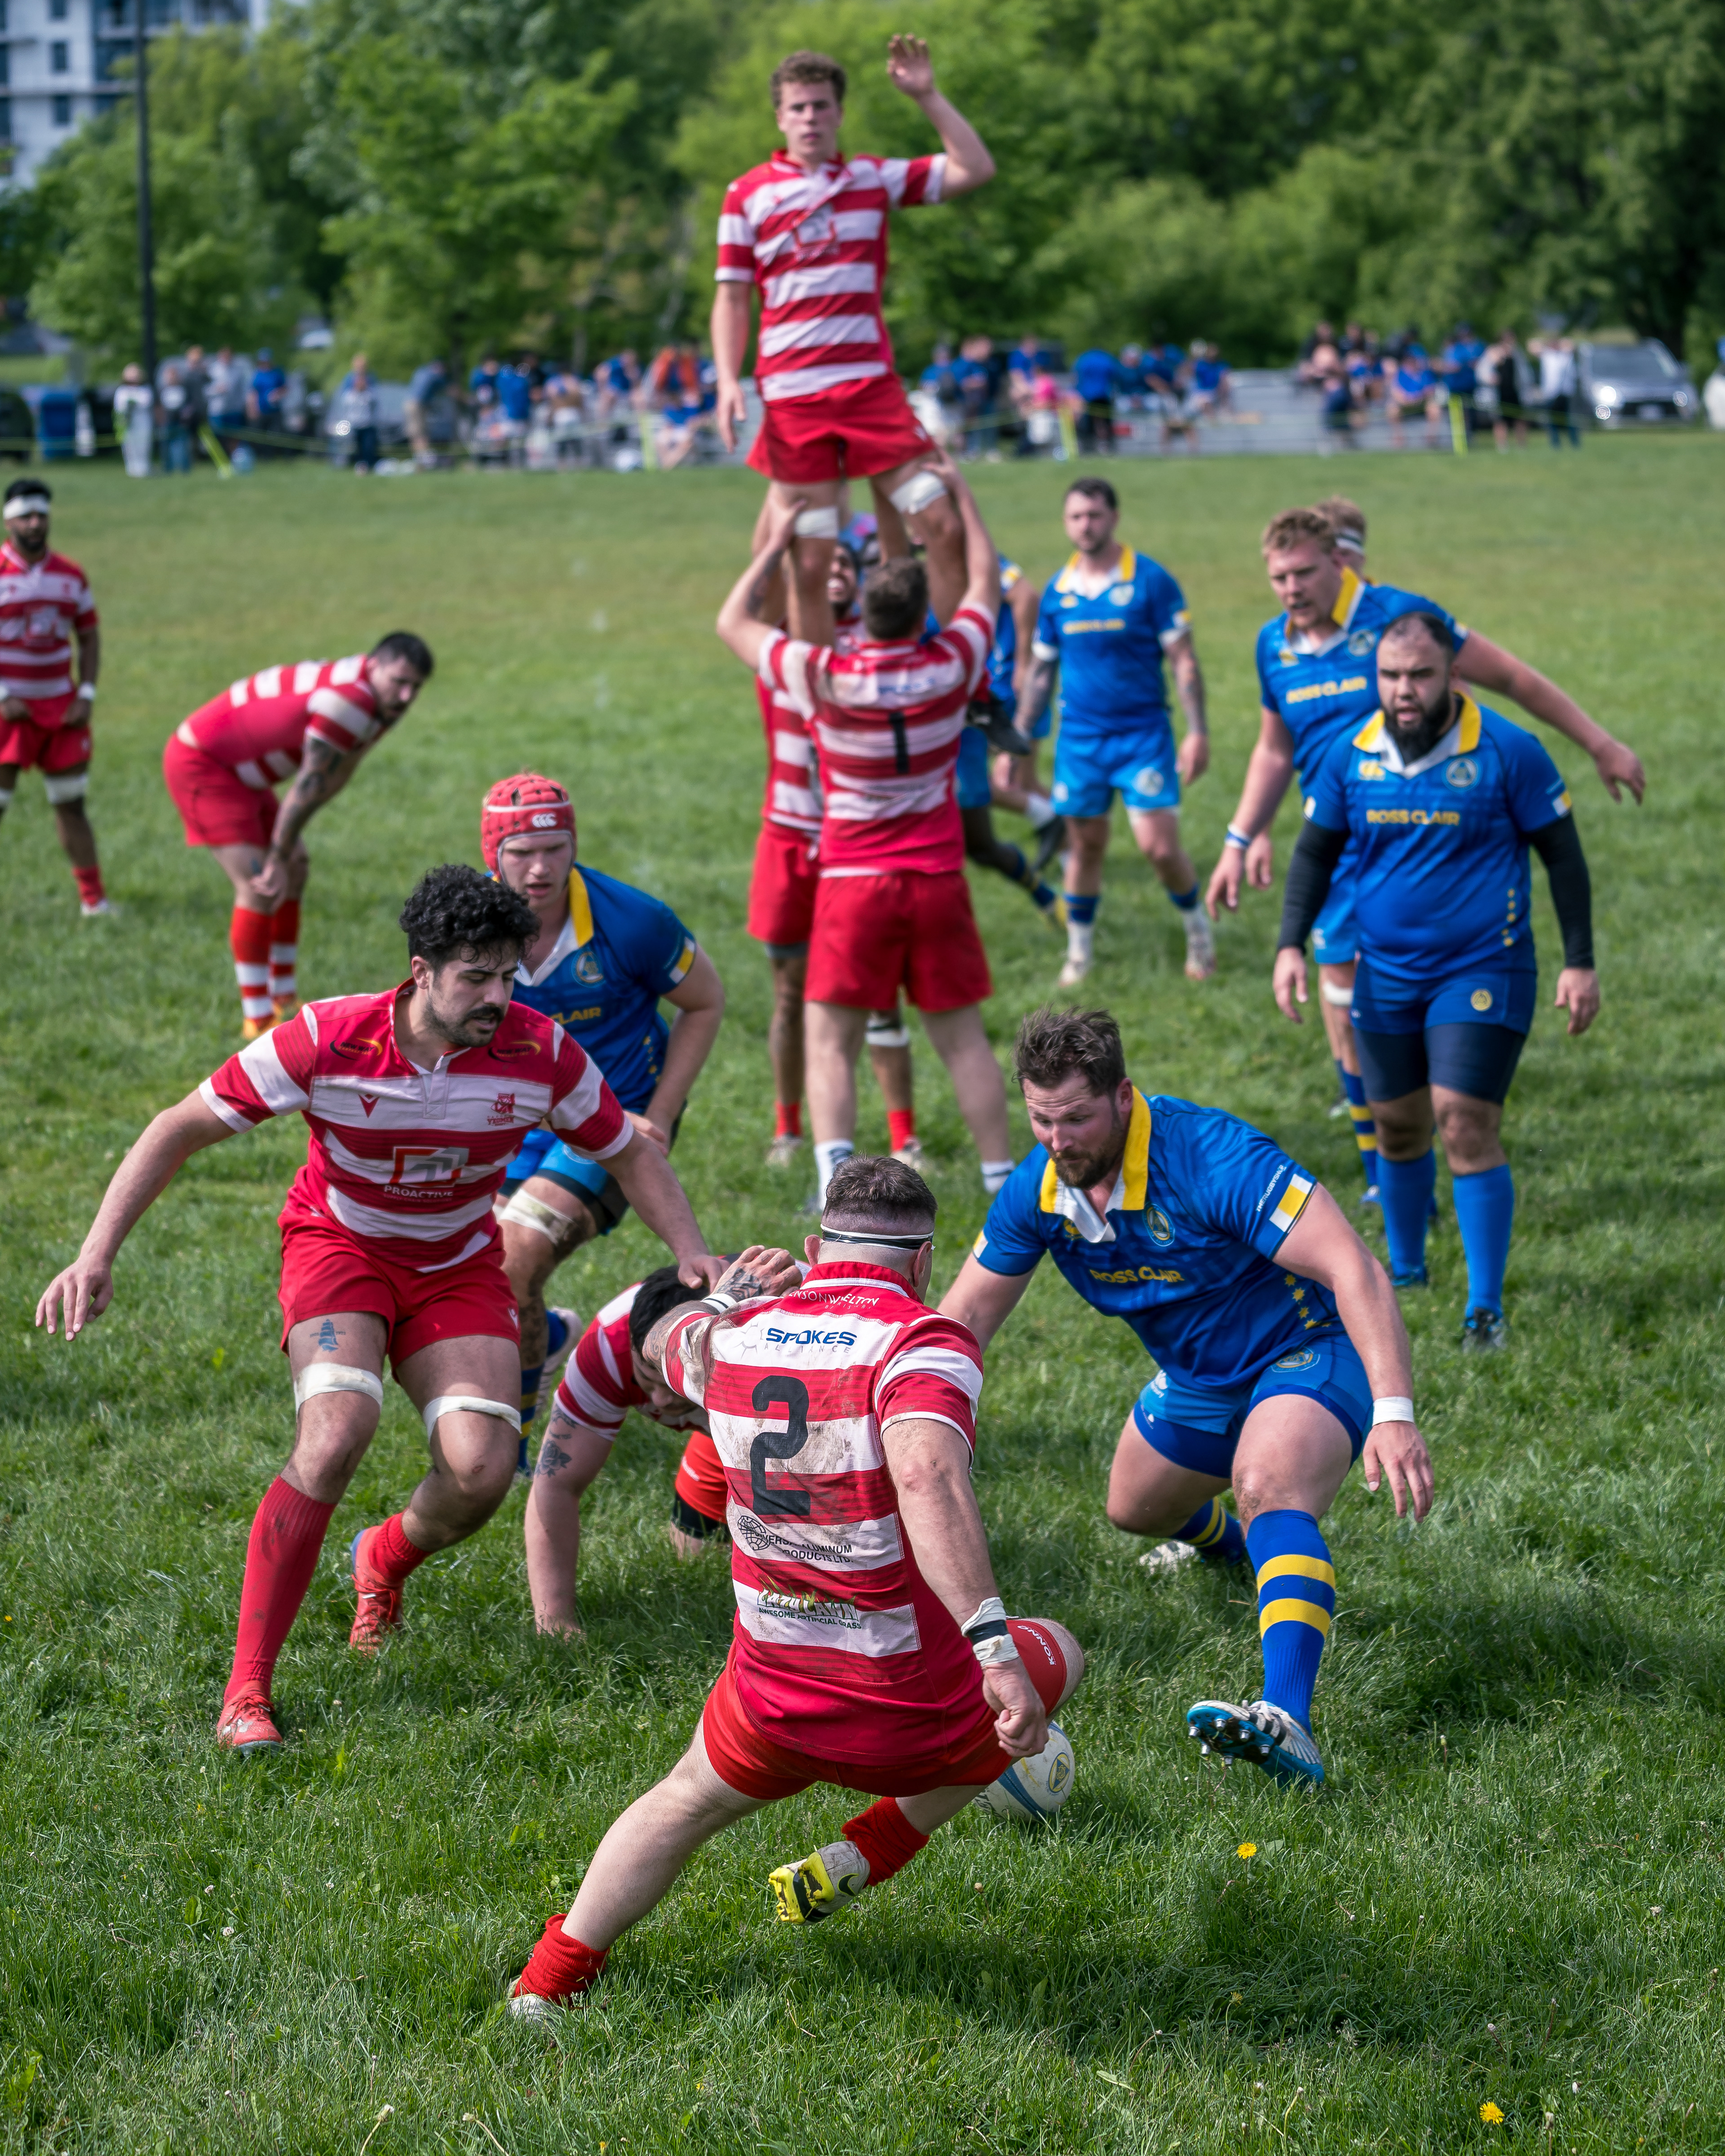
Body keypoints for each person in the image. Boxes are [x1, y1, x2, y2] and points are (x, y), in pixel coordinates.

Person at [34, 866, 724, 1754]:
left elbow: (626, 1149)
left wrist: (691, 1251)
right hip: (340, 1249)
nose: (497, 996)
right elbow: (179, 1126)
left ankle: (382, 1559)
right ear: (420, 970)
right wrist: (96, 1255)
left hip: (456, 1266)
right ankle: (248, 1691)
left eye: (510, 975)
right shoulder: (328, 1037)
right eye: (476, 976)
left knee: (481, 1473)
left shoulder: (539, 1050)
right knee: (336, 1431)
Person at [505, 1159, 1086, 2019]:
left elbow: (666, 1349)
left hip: (771, 1700)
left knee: (681, 1802)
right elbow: (927, 1474)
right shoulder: (925, 1340)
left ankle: (547, 1981)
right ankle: (873, 1847)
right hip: (907, 1716)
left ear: (817, 1250)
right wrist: (997, 1654)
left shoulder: (737, 1337)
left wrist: (724, 1298)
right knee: (1057, 1658)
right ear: (923, 1262)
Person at [939, 1006, 1431, 1787]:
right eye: (1040, 1120)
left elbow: (1355, 1268)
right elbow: (962, 1319)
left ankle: (1288, 1721)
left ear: (1123, 1098)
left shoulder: (1210, 1156)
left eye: (1076, 1118)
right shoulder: (1040, 1191)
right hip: (1204, 1376)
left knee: (1268, 1487)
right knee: (1133, 1510)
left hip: (1308, 1349)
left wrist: (1396, 1413)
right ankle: (1241, 1551)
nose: (1058, 1140)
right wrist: (905, 1420)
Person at [1205, 508, 1641, 1199]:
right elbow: (1275, 747)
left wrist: (1601, 744)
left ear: (1339, 563)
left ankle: (1412, 1160)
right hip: (1335, 853)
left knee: (1373, 1017)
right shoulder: (1273, 645)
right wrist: (1241, 834)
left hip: (1420, 849)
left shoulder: (1401, 619)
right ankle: (1391, 1171)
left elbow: (1514, 680)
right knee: (1345, 1018)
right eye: (1277, 577)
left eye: (1304, 572)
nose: (1290, 588)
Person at [1273, 612, 1598, 1346]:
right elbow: (1314, 856)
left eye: (1420, 675)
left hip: (1485, 966)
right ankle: (1407, 1272)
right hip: (1385, 969)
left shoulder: (1510, 752)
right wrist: (1291, 944)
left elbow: (1565, 857)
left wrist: (1580, 961)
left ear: (1454, 673)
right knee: (1397, 1125)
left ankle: (1485, 1308)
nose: (1404, 691)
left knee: (1463, 1119)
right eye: (1390, 677)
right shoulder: (1352, 756)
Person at [717, 458, 1015, 1210]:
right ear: (922, 618)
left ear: (867, 619)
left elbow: (732, 623)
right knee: (965, 1041)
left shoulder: (826, 676)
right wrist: (966, 499)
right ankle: (1002, 1181)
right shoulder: (952, 664)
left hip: (852, 881)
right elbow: (983, 584)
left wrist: (778, 542)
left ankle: (833, 1182)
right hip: (939, 877)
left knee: (830, 1041)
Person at [711, 40, 995, 646]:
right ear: (780, 118)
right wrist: (724, 380)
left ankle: (958, 678)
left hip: (871, 395)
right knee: (810, 561)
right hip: (795, 404)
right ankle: (821, 706)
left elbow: (976, 168)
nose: (810, 118)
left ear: (839, 113)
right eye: (798, 108)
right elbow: (732, 298)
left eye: (820, 106)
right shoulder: (747, 195)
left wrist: (927, 96)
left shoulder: (872, 178)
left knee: (942, 527)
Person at [482, 773, 725, 1441]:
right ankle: (553, 1332)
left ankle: (517, 1445)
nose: (540, 868)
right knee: (478, 1276)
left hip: (613, 1120)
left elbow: (706, 1002)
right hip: (510, 1117)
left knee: (515, 1259)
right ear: (491, 853)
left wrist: (663, 1113)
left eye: (555, 849)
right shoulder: (469, 931)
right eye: (521, 852)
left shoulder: (632, 921)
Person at [164, 634, 434, 1038]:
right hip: (205, 763)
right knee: (260, 883)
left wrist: (286, 851)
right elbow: (311, 781)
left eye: (416, 687)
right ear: (375, 664)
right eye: (399, 681)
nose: (407, 695)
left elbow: (340, 772)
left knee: (296, 866)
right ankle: (257, 1018)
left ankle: (284, 998)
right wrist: (275, 856)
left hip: (244, 771)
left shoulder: (382, 699)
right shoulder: (350, 702)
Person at [1013, 475, 1213, 989]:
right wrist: (1017, 738)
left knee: (1160, 849)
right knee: (1087, 848)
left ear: (1114, 518)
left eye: (1095, 515)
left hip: (1143, 737)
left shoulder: (1150, 581)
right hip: (1080, 743)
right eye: (1077, 516)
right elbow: (1040, 674)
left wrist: (1196, 732)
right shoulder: (1058, 593)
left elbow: (1184, 660)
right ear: (1066, 523)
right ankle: (1079, 954)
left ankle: (1198, 930)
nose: (1086, 525)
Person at [525, 1265, 726, 1634]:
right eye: (647, 1380)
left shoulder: (775, 1345)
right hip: (721, 1421)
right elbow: (556, 1484)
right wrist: (554, 1621)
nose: (661, 1400)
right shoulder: (607, 1347)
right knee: (694, 1556)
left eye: (675, 1380)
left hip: (781, 1428)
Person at [0, 479, 107, 916]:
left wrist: (86, 693)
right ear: (9, 521)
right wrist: (4, 695)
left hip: (62, 710)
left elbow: (89, 635)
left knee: (71, 803)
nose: (34, 523)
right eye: (25, 516)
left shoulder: (70, 574)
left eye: (41, 515)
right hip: (9, 712)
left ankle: (94, 902)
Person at [956, 555, 1065, 930]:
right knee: (1023, 784)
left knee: (1001, 784)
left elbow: (1027, 595)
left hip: (1004, 691)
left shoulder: (982, 561)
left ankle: (1065, 842)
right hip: (991, 690)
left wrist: (1022, 662)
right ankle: (1070, 851)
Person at [1385, 347, 1442, 448]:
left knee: (1434, 408)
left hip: (1421, 403)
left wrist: (1419, 397)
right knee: (1392, 409)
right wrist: (1405, 399)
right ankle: (1399, 437)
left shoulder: (1425, 373)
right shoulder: (1400, 374)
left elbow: (1430, 390)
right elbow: (1395, 391)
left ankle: (1431, 437)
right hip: (1405, 404)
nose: (1411, 363)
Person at [1071, 345, 1120, 451]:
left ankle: (1088, 448)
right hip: (1104, 395)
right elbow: (1115, 376)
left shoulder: (1084, 359)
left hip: (1088, 397)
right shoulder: (1107, 358)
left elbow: (1077, 377)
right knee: (1107, 422)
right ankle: (1110, 447)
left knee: (1089, 422)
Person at [337, 353, 381, 471]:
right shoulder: (349, 379)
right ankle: (357, 465)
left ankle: (368, 465)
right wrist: (356, 390)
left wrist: (365, 389)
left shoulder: (371, 379)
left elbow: (375, 399)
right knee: (355, 447)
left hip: (368, 421)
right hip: (353, 422)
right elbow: (345, 400)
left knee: (368, 446)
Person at [1539, 336, 1580, 448]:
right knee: (1552, 420)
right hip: (1551, 393)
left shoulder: (1565, 356)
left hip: (1564, 392)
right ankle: (1556, 444)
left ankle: (1575, 443)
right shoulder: (1547, 356)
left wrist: (1565, 346)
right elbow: (1533, 347)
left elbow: (1572, 347)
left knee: (1567, 419)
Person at [405, 358, 447, 466]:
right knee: (420, 434)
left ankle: (420, 461)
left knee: (416, 434)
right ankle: (423, 461)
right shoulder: (435, 375)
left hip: (410, 404)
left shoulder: (421, 370)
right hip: (418, 405)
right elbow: (450, 389)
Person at [113, 363, 153, 478]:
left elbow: (146, 403)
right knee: (130, 446)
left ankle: (144, 469)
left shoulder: (145, 389)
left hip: (142, 420)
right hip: (127, 422)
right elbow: (119, 406)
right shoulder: (122, 390)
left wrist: (133, 401)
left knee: (143, 445)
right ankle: (132, 470)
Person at [248, 349, 286, 430]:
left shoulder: (277, 373)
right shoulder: (257, 374)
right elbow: (253, 392)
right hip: (261, 411)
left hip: (275, 411)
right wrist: (252, 408)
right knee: (260, 434)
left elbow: (285, 388)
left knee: (276, 433)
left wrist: (277, 394)